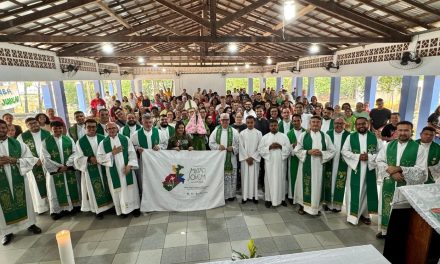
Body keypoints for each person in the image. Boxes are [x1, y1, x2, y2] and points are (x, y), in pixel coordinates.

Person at [375, 121, 427, 239]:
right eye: (400, 130)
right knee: (386, 206)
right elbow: (379, 161)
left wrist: (400, 169)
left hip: (406, 187)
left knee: (402, 211)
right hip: (389, 183)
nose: (403, 133)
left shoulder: (419, 149)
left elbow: (422, 171)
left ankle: (399, 234)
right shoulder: (388, 145)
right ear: (396, 132)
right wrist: (391, 172)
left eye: (406, 130)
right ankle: (385, 230)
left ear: (411, 132)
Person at [0, 120, 42, 245]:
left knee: (25, 201)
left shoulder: (18, 144)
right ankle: (7, 232)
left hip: (19, 178)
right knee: (3, 207)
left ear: (7, 129)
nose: (1, 130)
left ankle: (30, 224)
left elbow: (30, 159)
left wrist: (15, 160)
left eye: (3, 128)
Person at [341, 117, 381, 225]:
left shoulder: (374, 137)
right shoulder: (351, 136)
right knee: (354, 190)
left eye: (363, 123)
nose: (361, 126)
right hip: (355, 168)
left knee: (367, 191)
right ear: (355, 125)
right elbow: (344, 151)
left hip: (370, 168)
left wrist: (369, 157)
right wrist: (358, 157)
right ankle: (352, 215)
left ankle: (366, 214)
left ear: (368, 124)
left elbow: (382, 153)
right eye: (358, 124)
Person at [293, 116, 336, 215]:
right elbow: (297, 150)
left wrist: (322, 153)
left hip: (319, 167)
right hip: (305, 166)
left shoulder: (325, 136)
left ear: (321, 124)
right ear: (310, 124)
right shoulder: (304, 135)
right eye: (313, 122)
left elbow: (332, 151)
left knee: (317, 187)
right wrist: (308, 152)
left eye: (317, 122)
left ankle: (316, 208)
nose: (315, 124)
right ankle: (302, 206)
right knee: (304, 185)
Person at [97, 122, 141, 217]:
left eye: (114, 128)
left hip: (127, 169)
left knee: (131, 189)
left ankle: (135, 208)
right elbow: (99, 158)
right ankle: (122, 211)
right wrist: (112, 153)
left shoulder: (125, 139)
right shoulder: (103, 143)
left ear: (117, 129)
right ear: (106, 130)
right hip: (113, 172)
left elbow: (132, 153)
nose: (112, 130)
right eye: (109, 129)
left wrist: (129, 165)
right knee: (118, 191)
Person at [74, 119, 113, 219]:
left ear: (96, 127)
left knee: (107, 185)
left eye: (93, 127)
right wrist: (88, 159)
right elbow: (77, 158)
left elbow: (109, 151)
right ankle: (98, 210)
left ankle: (110, 206)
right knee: (94, 188)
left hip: (104, 167)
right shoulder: (80, 142)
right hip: (90, 169)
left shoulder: (103, 138)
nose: (91, 129)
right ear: (85, 128)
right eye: (89, 127)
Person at [41, 121, 79, 220]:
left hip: (67, 169)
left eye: (60, 128)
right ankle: (57, 211)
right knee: (54, 190)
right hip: (55, 171)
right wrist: (58, 167)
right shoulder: (46, 141)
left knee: (70, 187)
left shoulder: (69, 139)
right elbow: (45, 158)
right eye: (55, 129)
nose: (58, 130)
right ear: (51, 129)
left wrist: (67, 165)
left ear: (63, 128)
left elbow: (75, 153)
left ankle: (72, 207)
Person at [17, 118, 51, 214]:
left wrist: (45, 159)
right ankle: (41, 208)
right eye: (30, 124)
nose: (33, 125)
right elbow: (20, 152)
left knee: (50, 184)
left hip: (47, 163)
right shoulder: (22, 137)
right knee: (36, 186)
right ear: (27, 126)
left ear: (38, 123)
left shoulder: (47, 133)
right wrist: (35, 160)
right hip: (33, 166)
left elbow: (53, 146)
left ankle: (52, 205)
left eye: (35, 122)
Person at [259, 119, 291, 208]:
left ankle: (282, 199)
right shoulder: (265, 137)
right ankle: (268, 199)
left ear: (278, 126)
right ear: (269, 127)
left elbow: (288, 150)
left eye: (275, 125)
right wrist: (269, 147)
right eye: (272, 125)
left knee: (281, 179)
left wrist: (281, 146)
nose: (273, 127)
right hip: (270, 163)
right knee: (269, 180)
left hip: (281, 163)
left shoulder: (284, 137)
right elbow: (260, 150)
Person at [209, 113, 240, 201]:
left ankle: (231, 195)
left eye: (226, 120)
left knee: (231, 177)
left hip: (231, 159)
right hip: (220, 160)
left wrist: (233, 148)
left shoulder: (234, 131)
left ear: (229, 121)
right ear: (220, 121)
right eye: (223, 120)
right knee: (220, 177)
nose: (225, 121)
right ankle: (221, 195)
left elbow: (239, 144)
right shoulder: (216, 131)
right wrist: (218, 147)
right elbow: (211, 143)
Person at [322, 118, 350, 213]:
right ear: (333, 124)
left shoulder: (349, 135)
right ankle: (328, 204)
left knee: (339, 183)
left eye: (341, 123)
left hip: (342, 163)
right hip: (330, 162)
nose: (338, 125)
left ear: (344, 124)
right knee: (328, 182)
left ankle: (337, 206)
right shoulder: (328, 133)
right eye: (336, 123)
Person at [239, 116, 262, 204]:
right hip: (245, 160)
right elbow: (241, 146)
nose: (250, 124)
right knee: (245, 178)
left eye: (251, 122)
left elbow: (260, 146)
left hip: (254, 160)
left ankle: (254, 196)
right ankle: (245, 197)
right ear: (246, 123)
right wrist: (247, 157)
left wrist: (252, 157)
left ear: (254, 122)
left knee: (254, 177)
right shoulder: (242, 133)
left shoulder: (258, 133)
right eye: (248, 122)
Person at [287, 114, 306, 204]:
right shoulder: (289, 133)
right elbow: (287, 148)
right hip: (293, 158)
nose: (296, 122)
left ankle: (302, 197)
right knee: (293, 176)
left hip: (304, 159)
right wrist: (292, 145)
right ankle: (292, 196)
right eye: (294, 121)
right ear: (292, 122)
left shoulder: (306, 132)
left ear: (301, 121)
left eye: (298, 120)